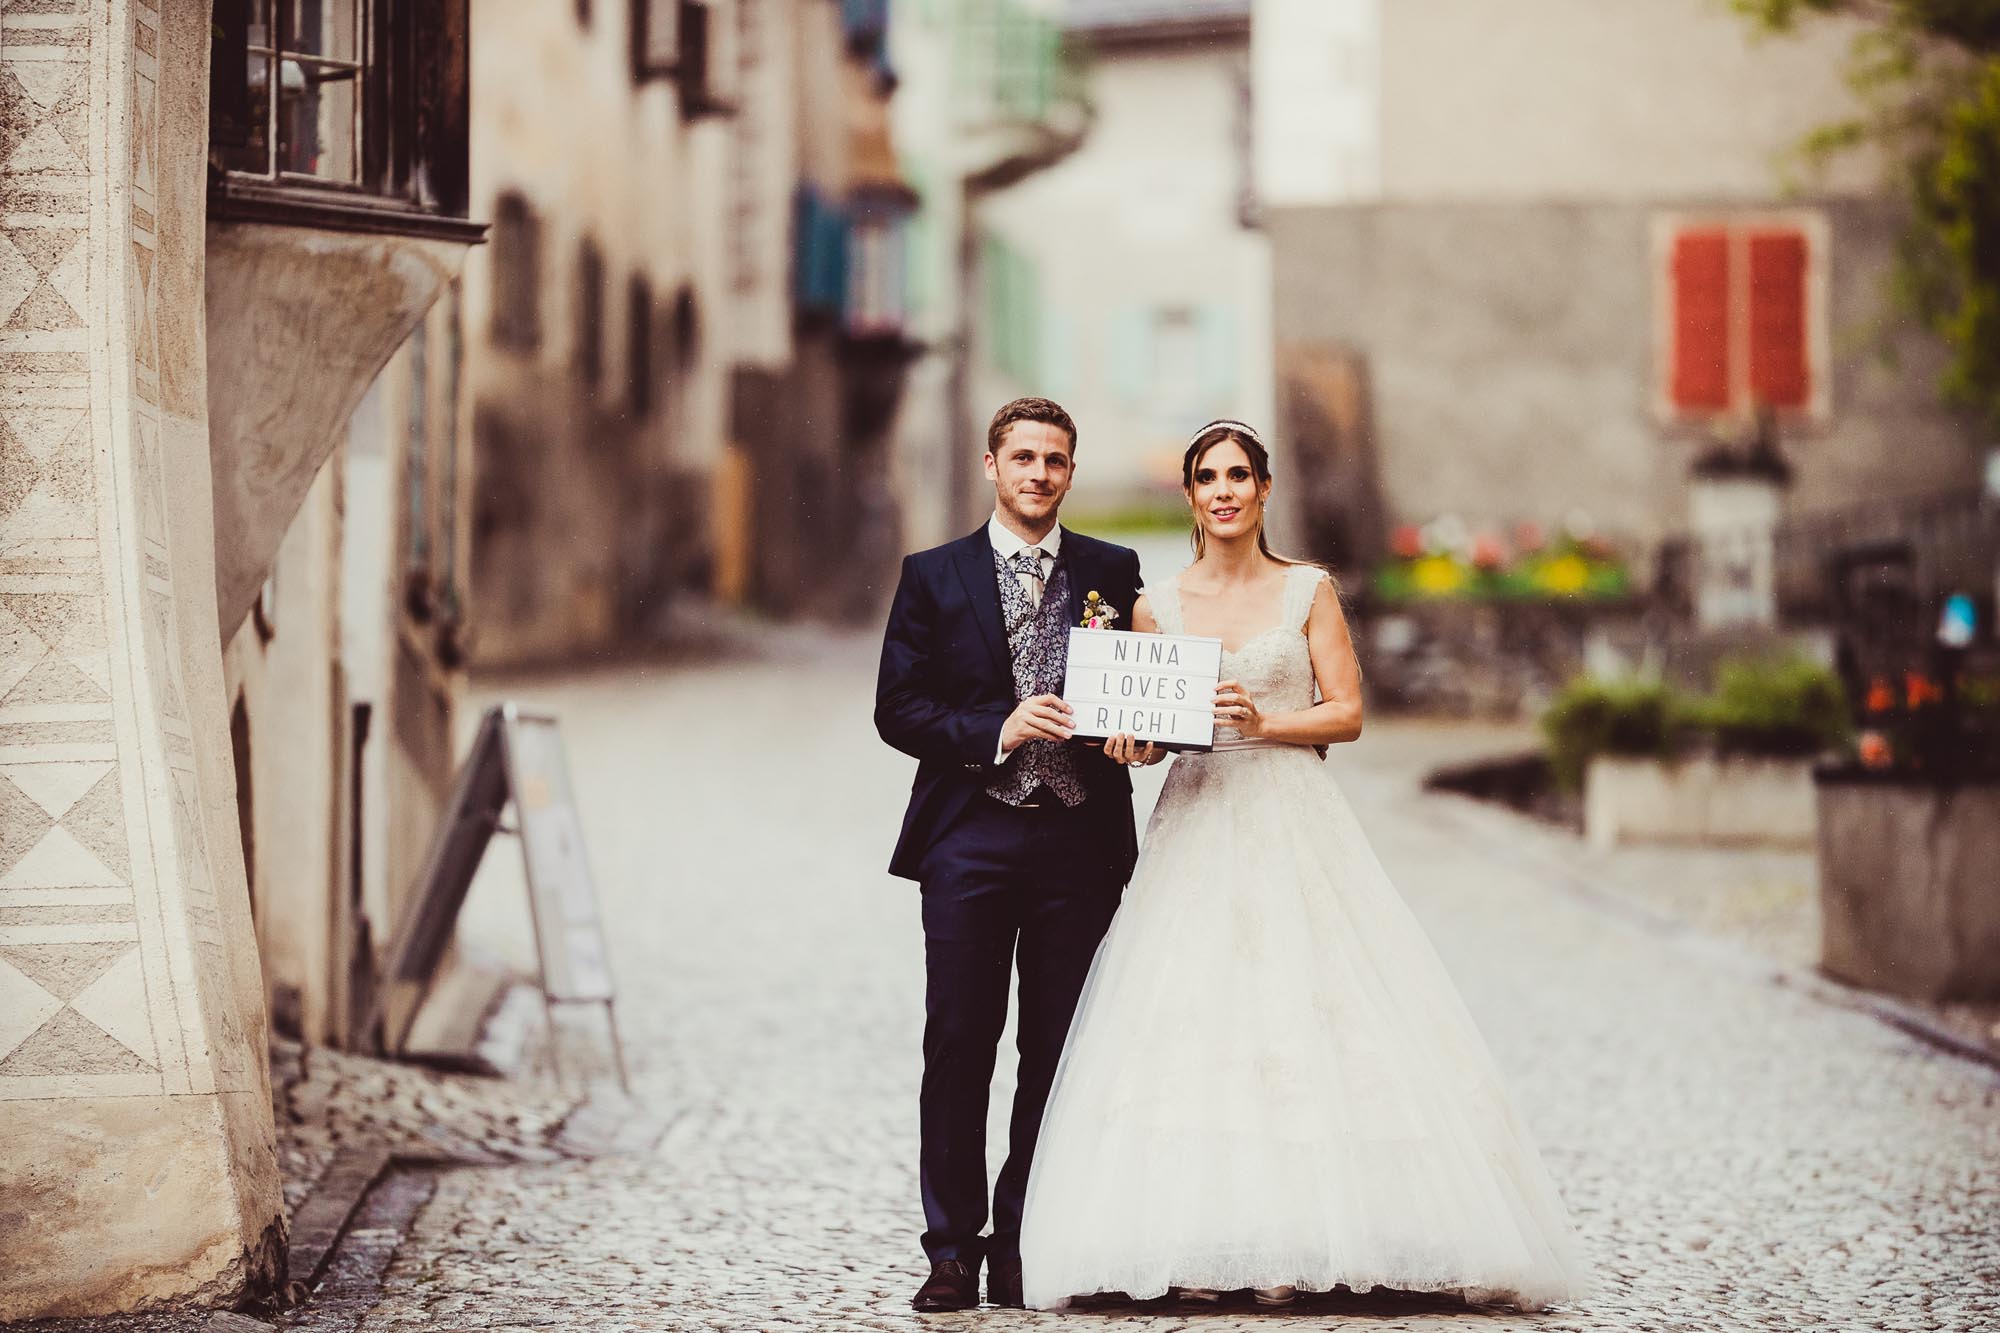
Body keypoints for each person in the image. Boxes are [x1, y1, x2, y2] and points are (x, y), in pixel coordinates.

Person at [1017, 419, 1589, 1312]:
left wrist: (1267, 724)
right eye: (1208, 477)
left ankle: (1327, 1232)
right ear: (1190, 494)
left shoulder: (1307, 591)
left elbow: (1349, 712)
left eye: (1239, 475)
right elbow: (1150, 736)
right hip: (1197, 823)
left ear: (1265, 489)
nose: (1224, 491)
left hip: (1290, 811)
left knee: (1313, 1007)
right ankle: (1201, 1239)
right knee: (1197, 1018)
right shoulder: (1155, 605)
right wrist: (1128, 746)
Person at [875, 397, 1149, 1312]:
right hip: (970, 836)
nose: (1040, 473)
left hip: (1080, 838)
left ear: (1071, 472)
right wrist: (992, 729)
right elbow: (898, 709)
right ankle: (950, 1249)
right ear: (992, 465)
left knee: (1057, 1048)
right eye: (1024, 457)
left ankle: (1022, 1235)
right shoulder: (932, 574)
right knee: (959, 1041)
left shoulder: (1113, 569)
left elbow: (1147, 701)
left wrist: (1138, 738)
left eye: (1057, 460)